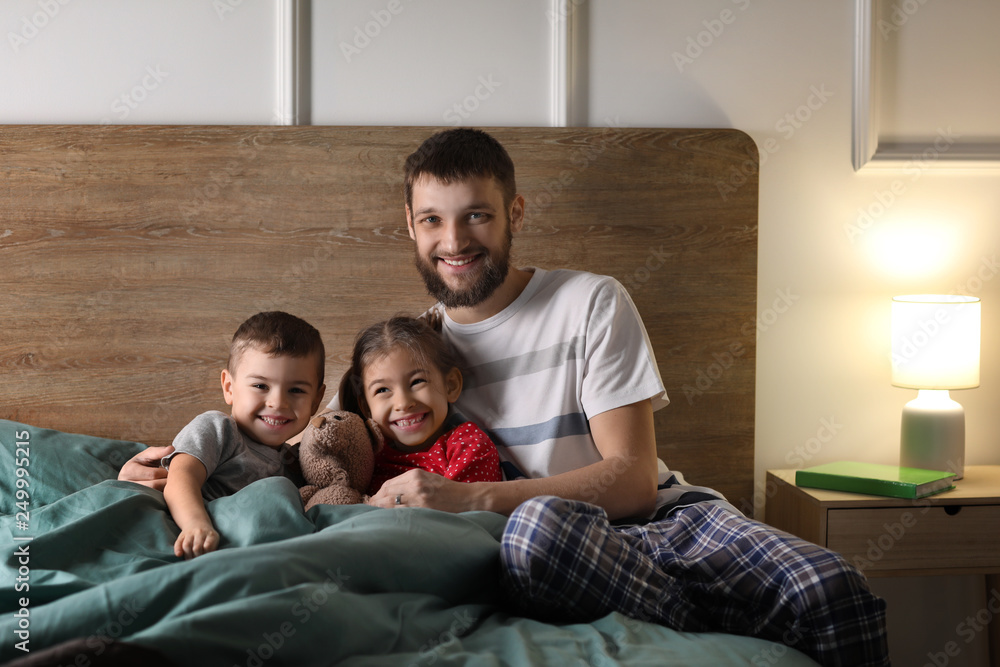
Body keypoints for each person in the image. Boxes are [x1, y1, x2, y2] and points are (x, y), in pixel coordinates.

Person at [121, 129, 888, 665]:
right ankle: (737, 623)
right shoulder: (407, 357)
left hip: (663, 522)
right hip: (547, 553)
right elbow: (305, 443)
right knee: (536, 536)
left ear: (513, 214)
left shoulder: (591, 302)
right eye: (433, 221)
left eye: (476, 215)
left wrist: (467, 498)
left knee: (830, 587)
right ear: (412, 230)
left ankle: (738, 608)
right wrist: (169, 466)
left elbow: (629, 476)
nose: (455, 240)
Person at [162, 311, 326, 559]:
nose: (278, 402)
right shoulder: (219, 429)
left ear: (316, 400)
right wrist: (195, 524)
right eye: (261, 386)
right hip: (199, 540)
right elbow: (180, 478)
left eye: (296, 390)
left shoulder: (297, 462)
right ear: (229, 388)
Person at [338, 313, 501, 496]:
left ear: (451, 386)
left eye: (417, 381)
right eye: (382, 390)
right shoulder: (364, 457)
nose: (403, 403)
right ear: (366, 407)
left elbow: (466, 513)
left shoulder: (468, 445)